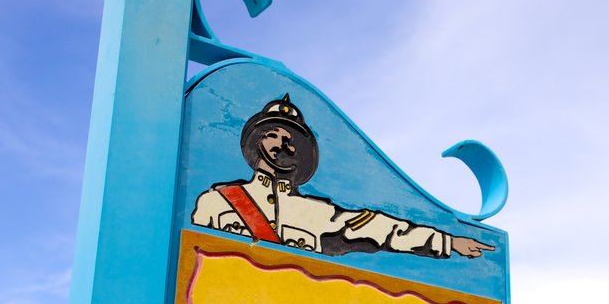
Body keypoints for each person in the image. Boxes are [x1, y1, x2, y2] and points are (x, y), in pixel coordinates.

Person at [192, 95, 495, 259]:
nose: (282, 145)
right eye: (273, 135)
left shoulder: (316, 213)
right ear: (258, 142)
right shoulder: (217, 202)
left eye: (290, 141)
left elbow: (379, 227)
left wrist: (446, 241)